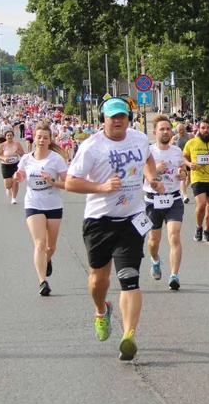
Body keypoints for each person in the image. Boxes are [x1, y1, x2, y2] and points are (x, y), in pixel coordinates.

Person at [65, 97, 164, 361]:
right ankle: (101, 310)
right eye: (113, 117)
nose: (118, 121)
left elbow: (148, 159)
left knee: (129, 278)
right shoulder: (91, 147)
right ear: (104, 119)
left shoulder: (139, 139)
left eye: (123, 116)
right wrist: (101, 188)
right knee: (99, 280)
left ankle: (128, 336)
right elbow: (70, 182)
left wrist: (152, 179)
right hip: (99, 221)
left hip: (132, 220)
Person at [15, 123, 69, 296]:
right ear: (34, 138)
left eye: (45, 137)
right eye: (39, 137)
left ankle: (47, 260)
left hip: (53, 204)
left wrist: (52, 181)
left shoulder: (56, 159)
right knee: (40, 243)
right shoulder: (26, 159)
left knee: (51, 246)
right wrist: (18, 176)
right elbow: (20, 175)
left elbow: (67, 183)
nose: (42, 140)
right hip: (33, 203)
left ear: (50, 139)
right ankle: (42, 281)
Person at [146, 115, 188, 290]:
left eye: (168, 129)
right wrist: (155, 169)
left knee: (174, 236)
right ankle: (155, 260)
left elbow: (182, 169)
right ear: (155, 132)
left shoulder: (176, 151)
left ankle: (174, 276)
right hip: (153, 199)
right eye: (162, 129)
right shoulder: (148, 152)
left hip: (173, 198)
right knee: (154, 241)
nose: (165, 132)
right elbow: (139, 173)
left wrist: (182, 174)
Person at [182, 119, 209, 243]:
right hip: (197, 178)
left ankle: (207, 230)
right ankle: (198, 228)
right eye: (203, 128)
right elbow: (184, 156)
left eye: (208, 128)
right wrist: (189, 164)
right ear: (198, 130)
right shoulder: (191, 143)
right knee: (201, 205)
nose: (205, 130)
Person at [0, 130, 26, 205]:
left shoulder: (17, 144)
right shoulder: (2, 145)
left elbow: (23, 154)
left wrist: (19, 152)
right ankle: (8, 188)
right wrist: (4, 158)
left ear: (13, 136)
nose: (9, 137)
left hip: (15, 164)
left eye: (10, 135)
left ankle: (14, 198)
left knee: (15, 182)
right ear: (5, 137)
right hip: (5, 165)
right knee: (8, 183)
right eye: (8, 135)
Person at [173, 121, 192, 203]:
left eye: (183, 129)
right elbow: (171, 148)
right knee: (183, 177)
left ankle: (182, 189)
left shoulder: (190, 136)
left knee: (189, 178)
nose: (182, 131)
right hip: (180, 160)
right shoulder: (175, 138)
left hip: (189, 159)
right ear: (177, 130)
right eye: (180, 130)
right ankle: (184, 195)